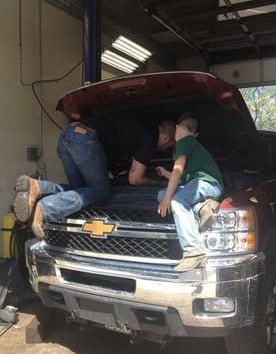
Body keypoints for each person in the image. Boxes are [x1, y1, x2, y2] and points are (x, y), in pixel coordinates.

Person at [14, 117, 176, 239]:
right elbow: (135, 179)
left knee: (81, 191)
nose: (164, 149)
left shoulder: (137, 126)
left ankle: (38, 187)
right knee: (100, 191)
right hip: (85, 140)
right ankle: (46, 208)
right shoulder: (148, 138)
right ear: (166, 138)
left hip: (67, 134)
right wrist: (159, 182)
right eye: (168, 146)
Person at [156, 113, 224, 272]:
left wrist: (168, 199)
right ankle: (202, 207)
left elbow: (177, 171)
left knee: (176, 202)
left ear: (177, 128)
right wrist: (165, 173)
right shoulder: (191, 145)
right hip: (204, 186)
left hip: (206, 183)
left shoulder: (184, 142)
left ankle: (193, 252)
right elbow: (180, 179)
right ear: (196, 133)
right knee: (162, 194)